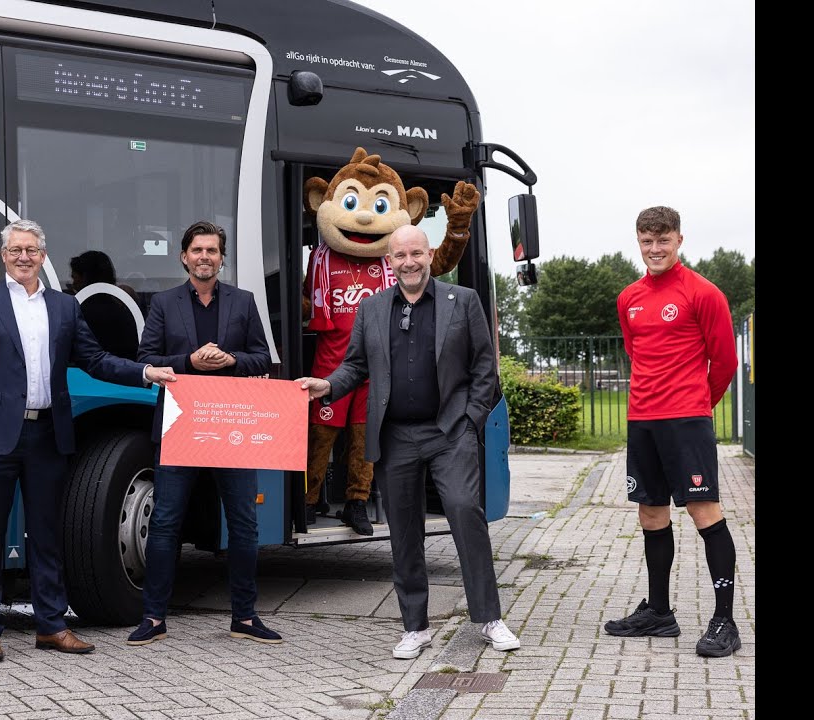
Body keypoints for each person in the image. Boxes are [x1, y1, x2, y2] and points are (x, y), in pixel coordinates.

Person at [0, 219, 176, 663]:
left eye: (31, 250)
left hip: (49, 433)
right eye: (15, 250)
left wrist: (145, 372)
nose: (23, 257)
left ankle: (51, 625)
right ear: (4, 255)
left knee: (47, 534)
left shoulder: (65, 307)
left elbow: (95, 359)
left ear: (43, 256)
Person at [297, 224, 520, 658]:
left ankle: (490, 619)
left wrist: (470, 420)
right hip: (395, 436)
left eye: (416, 253)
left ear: (429, 254)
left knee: (463, 511)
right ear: (390, 261)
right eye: (400, 256)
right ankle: (414, 628)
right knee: (403, 530)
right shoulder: (372, 308)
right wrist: (327, 387)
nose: (409, 262)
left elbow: (484, 369)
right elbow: (355, 366)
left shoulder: (463, 301)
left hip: (449, 432)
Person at [126, 220, 282, 647]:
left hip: (231, 424)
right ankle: (154, 618)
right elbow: (147, 358)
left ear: (221, 257)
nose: (204, 257)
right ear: (184, 256)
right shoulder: (162, 303)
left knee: (245, 525)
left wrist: (229, 361)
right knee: (165, 523)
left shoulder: (244, 301)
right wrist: (191, 360)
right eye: (197, 250)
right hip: (181, 424)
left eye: (212, 251)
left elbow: (262, 360)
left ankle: (245, 618)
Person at [605, 206, 740, 658]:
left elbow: (724, 362)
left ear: (679, 240)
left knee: (704, 513)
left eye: (663, 240)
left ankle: (725, 620)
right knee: (650, 514)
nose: (655, 248)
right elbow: (636, 352)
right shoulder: (629, 298)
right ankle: (660, 613)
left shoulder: (703, 292)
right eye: (647, 240)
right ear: (638, 241)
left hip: (687, 421)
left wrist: (699, 408)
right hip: (642, 420)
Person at [68, 249, 140, 360]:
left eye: (74, 277)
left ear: (84, 278)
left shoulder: (83, 311)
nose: (72, 283)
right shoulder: (122, 309)